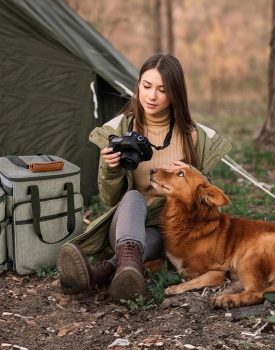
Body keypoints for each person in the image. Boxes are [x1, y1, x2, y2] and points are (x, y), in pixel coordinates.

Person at [56, 53, 232, 302]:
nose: (151, 96)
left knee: (157, 234)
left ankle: (104, 272)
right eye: (146, 86)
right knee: (133, 197)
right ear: (137, 85)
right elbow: (109, 198)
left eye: (162, 89)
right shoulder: (120, 129)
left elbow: (204, 199)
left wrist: (194, 175)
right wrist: (112, 169)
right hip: (125, 222)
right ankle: (124, 268)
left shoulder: (194, 137)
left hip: (168, 229)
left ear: (175, 93)